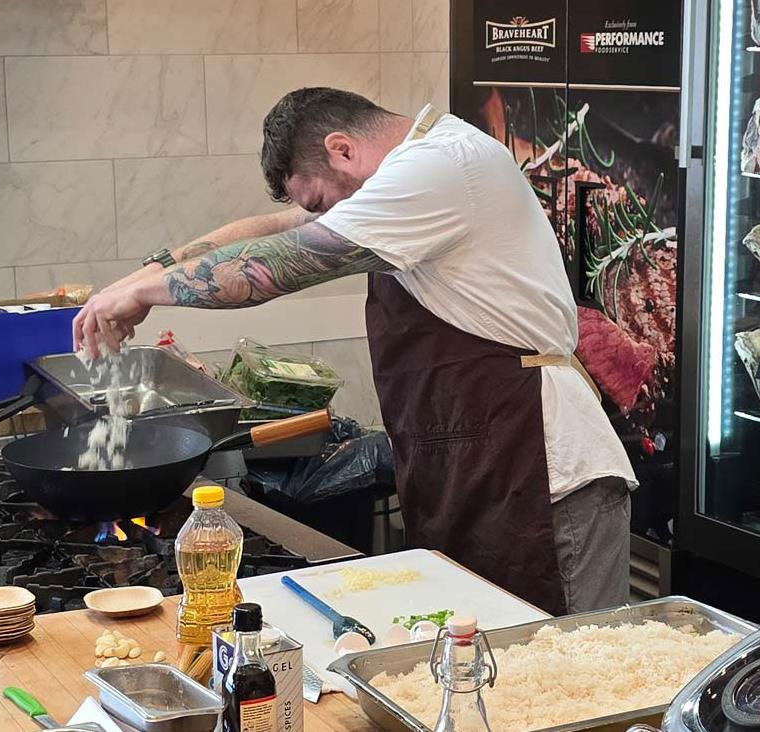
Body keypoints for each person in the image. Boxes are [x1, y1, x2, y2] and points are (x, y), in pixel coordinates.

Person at [73, 87, 636, 615]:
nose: (320, 213)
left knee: (572, 688)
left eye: (322, 199)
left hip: (546, 474)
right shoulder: (408, 167)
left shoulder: (439, 167)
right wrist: (140, 276)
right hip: (484, 468)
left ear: (340, 149)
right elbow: (273, 227)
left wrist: (145, 295)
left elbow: (279, 264)